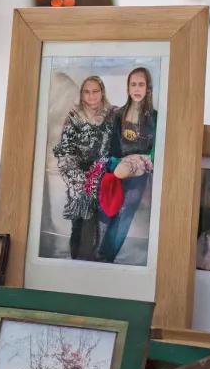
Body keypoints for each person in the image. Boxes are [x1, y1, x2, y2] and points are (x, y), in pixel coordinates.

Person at [97, 67, 157, 264]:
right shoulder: (117, 115)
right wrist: (116, 165)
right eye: (133, 85)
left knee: (126, 211)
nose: (137, 89)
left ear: (148, 88)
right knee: (107, 210)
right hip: (116, 170)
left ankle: (107, 257)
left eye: (141, 84)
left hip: (139, 174)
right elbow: (109, 147)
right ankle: (95, 254)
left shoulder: (156, 118)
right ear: (128, 88)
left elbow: (156, 150)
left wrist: (144, 161)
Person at [51, 75, 114, 260]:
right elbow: (65, 150)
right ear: (81, 94)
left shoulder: (111, 115)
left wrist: (101, 171)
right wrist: (79, 180)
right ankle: (77, 261)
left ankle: (93, 262)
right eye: (87, 92)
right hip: (77, 174)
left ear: (102, 92)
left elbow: (114, 145)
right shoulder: (74, 117)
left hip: (103, 174)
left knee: (97, 222)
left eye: (95, 91)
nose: (91, 96)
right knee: (79, 220)